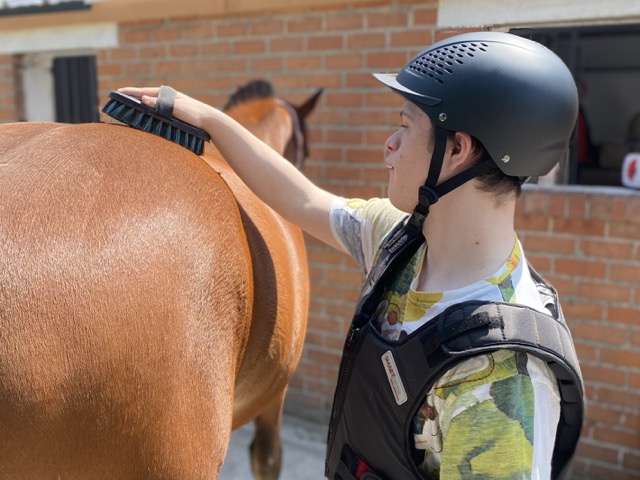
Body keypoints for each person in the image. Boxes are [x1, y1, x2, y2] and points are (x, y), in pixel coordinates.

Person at [120, 31, 584, 480]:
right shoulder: (402, 240)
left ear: (457, 149)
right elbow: (304, 200)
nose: (390, 143)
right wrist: (209, 119)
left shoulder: (505, 380)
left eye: (405, 126)